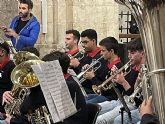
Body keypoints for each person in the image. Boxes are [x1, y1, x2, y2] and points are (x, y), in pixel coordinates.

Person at [3, 51, 88, 124]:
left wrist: (13, 121)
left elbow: (25, 108)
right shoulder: (50, 86)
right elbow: (28, 113)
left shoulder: (68, 86)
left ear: (56, 69)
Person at [96, 38, 144, 124]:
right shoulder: (131, 68)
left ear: (142, 54)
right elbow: (122, 91)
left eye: (132, 53)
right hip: (121, 100)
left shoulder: (141, 71)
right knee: (93, 109)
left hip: (130, 104)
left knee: (101, 120)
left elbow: (135, 98)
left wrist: (123, 82)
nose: (129, 56)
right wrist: (116, 80)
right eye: (128, 53)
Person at [86, 36, 124, 103]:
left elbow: (109, 91)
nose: (101, 53)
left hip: (111, 98)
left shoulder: (119, 67)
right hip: (103, 95)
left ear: (111, 51)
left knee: (86, 104)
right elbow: (101, 80)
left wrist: (93, 77)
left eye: (103, 51)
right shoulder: (107, 64)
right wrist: (91, 72)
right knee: (82, 99)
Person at [77, 29, 109, 94]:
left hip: (93, 90)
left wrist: (78, 65)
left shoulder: (102, 57)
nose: (83, 45)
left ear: (93, 41)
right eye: (82, 42)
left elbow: (100, 79)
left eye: (85, 42)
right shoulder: (85, 55)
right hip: (84, 88)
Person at [0, 41, 15, 113]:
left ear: (2, 52)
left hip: (4, 110)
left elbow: (14, 93)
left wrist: (3, 94)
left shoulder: (12, 67)